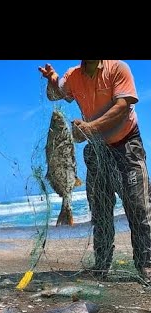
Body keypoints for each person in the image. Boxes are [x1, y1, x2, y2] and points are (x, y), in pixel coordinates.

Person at [39, 60, 151, 285]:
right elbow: (55, 95)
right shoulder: (73, 76)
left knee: (138, 206)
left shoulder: (118, 68)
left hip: (126, 145)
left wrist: (90, 128)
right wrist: (52, 81)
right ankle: (101, 265)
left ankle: (146, 264)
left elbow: (122, 106)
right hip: (98, 150)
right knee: (100, 210)